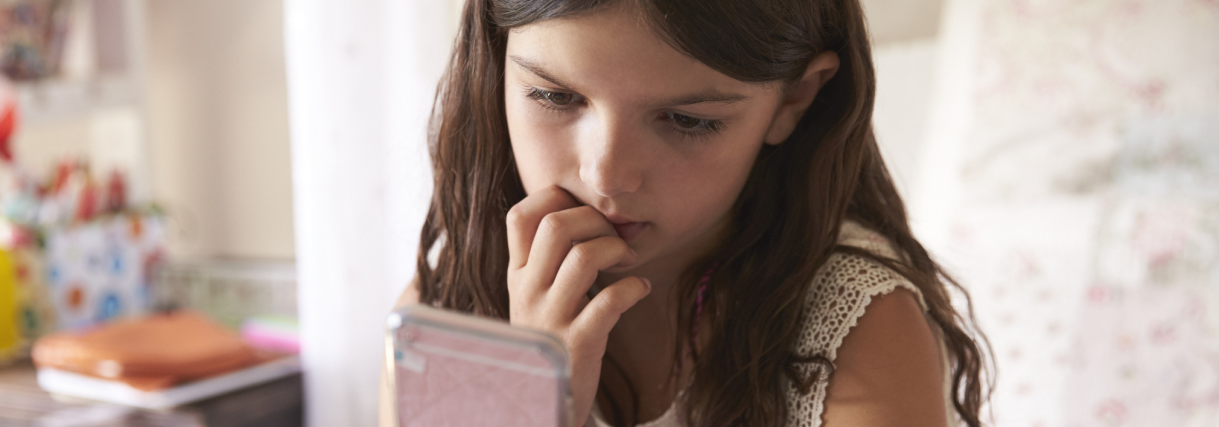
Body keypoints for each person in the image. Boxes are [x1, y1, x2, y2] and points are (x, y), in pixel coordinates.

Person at [382, 0, 992, 425]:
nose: (607, 175)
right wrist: (526, 403)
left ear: (795, 100)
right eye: (555, 96)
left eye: (688, 120)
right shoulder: (451, 301)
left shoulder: (857, 331)